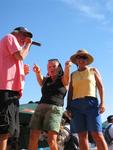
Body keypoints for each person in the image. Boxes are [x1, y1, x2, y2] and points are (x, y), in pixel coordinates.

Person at [66, 49, 108, 150]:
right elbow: (70, 91)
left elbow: (101, 87)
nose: (81, 59)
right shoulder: (73, 75)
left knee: (97, 134)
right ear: (76, 60)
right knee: (81, 136)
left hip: (91, 103)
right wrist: (68, 106)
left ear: (87, 60)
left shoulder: (93, 70)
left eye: (84, 57)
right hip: (75, 105)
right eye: (79, 57)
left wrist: (102, 103)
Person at [0, 26, 32, 150]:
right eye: (24, 35)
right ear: (16, 33)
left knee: (12, 130)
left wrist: (22, 72)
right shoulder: (10, 37)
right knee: (5, 128)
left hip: (12, 92)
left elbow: (15, 61)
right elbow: (20, 56)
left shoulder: (14, 48)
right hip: (5, 90)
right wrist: (28, 45)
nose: (25, 39)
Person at [28, 59, 71, 150]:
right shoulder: (46, 80)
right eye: (49, 67)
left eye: (54, 66)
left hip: (55, 109)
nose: (51, 68)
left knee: (52, 140)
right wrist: (38, 72)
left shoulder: (63, 79)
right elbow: (40, 81)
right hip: (40, 108)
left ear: (59, 68)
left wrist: (67, 67)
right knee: (32, 138)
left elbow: (67, 79)